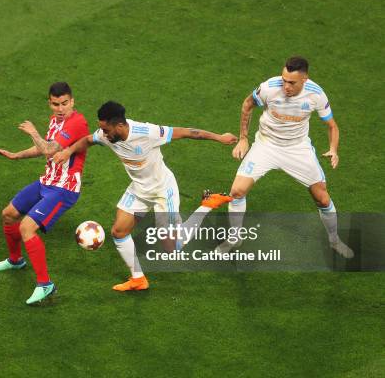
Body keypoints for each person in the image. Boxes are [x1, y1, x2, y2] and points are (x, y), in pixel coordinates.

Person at [53, 101, 237, 291]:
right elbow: (88, 140)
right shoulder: (106, 135)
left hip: (163, 191)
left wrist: (220, 137)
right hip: (139, 189)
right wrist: (68, 151)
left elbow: (189, 132)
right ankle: (138, 279)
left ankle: (208, 204)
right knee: (119, 231)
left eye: (106, 130)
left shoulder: (147, 132)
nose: (104, 134)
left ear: (120, 126)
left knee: (172, 248)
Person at [216, 56, 353, 258]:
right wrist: (243, 139)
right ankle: (235, 237)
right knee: (236, 191)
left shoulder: (316, 95)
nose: (286, 86)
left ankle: (334, 240)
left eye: (291, 82)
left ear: (304, 79)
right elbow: (247, 104)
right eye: (284, 80)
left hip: (297, 149)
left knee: (323, 199)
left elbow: (332, 125)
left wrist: (333, 149)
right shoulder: (269, 88)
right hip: (266, 145)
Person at [0, 82, 89, 305]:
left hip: (64, 188)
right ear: (50, 103)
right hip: (47, 181)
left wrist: (33, 132)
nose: (61, 108)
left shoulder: (77, 122)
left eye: (65, 103)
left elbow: (48, 149)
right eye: (56, 104)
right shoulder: (55, 120)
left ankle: (45, 285)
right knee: (8, 214)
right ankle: (16, 261)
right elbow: (43, 147)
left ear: (72, 101)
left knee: (27, 228)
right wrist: (16, 155)